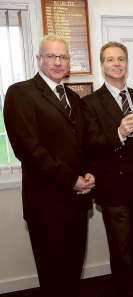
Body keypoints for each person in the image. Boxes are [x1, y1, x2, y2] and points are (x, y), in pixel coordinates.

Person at [3, 35, 95, 297]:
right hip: (46, 204)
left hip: (77, 201)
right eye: (51, 56)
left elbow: (83, 143)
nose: (58, 62)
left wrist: (88, 173)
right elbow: (29, 150)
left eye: (63, 57)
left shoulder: (74, 99)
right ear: (39, 59)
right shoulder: (20, 93)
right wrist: (71, 179)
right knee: (53, 277)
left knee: (73, 272)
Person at [82, 41, 133, 297]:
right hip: (111, 187)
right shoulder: (90, 102)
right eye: (110, 59)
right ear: (102, 65)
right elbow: (90, 145)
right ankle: (125, 290)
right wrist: (119, 133)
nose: (117, 64)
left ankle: (130, 285)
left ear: (127, 63)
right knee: (121, 248)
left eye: (121, 59)